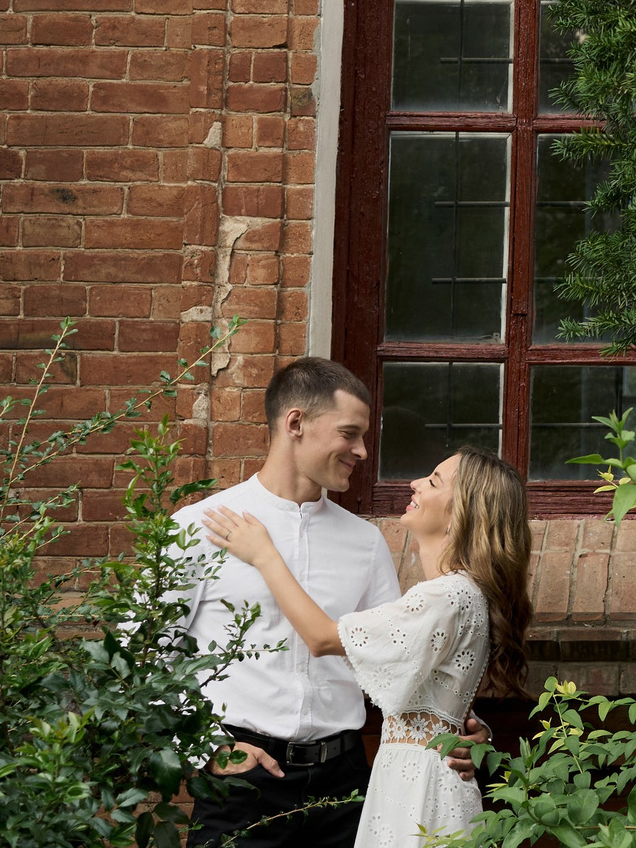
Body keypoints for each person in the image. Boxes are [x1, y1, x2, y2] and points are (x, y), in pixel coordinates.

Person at [172, 359, 488, 847]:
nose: (362, 450)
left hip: (347, 790)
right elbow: (145, 655)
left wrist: (460, 726)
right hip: (242, 784)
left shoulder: (364, 542)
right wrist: (203, 749)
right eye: (350, 433)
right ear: (295, 423)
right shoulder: (201, 526)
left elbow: (401, 666)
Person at [202, 446, 534, 848]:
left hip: (416, 788)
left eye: (433, 481)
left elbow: (324, 637)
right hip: (414, 778)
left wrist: (264, 555)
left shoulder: (445, 596)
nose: (414, 482)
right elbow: (426, 679)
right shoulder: (462, 594)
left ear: (462, 512)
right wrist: (461, 723)